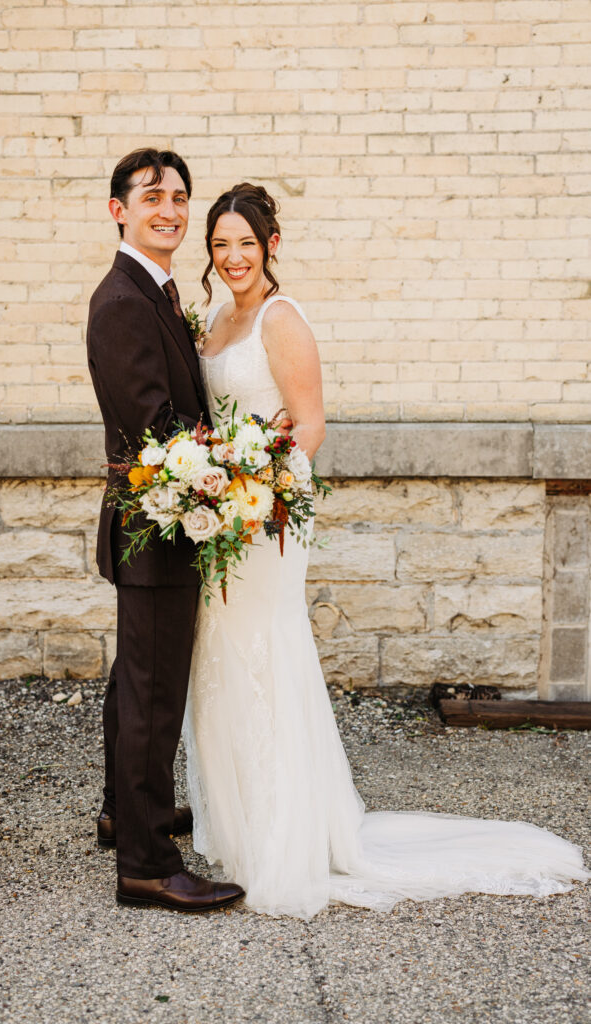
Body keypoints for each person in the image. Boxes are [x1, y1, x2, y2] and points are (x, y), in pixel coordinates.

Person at [182, 182, 590, 919]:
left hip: (266, 518)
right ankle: (240, 825)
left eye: (245, 243)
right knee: (221, 659)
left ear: (271, 245)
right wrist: (211, 485)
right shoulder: (214, 314)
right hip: (221, 517)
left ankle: (286, 837)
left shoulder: (280, 319)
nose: (232, 257)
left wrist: (251, 488)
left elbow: (308, 426)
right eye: (219, 245)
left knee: (265, 657)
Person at [86, 148, 244, 912]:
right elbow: (156, 427)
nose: (171, 210)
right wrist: (235, 468)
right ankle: (146, 864)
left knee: (136, 679)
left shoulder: (155, 292)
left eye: (180, 197)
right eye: (152, 197)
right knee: (153, 692)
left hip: (164, 524)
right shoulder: (121, 300)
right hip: (157, 524)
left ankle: (127, 810)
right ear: (118, 209)